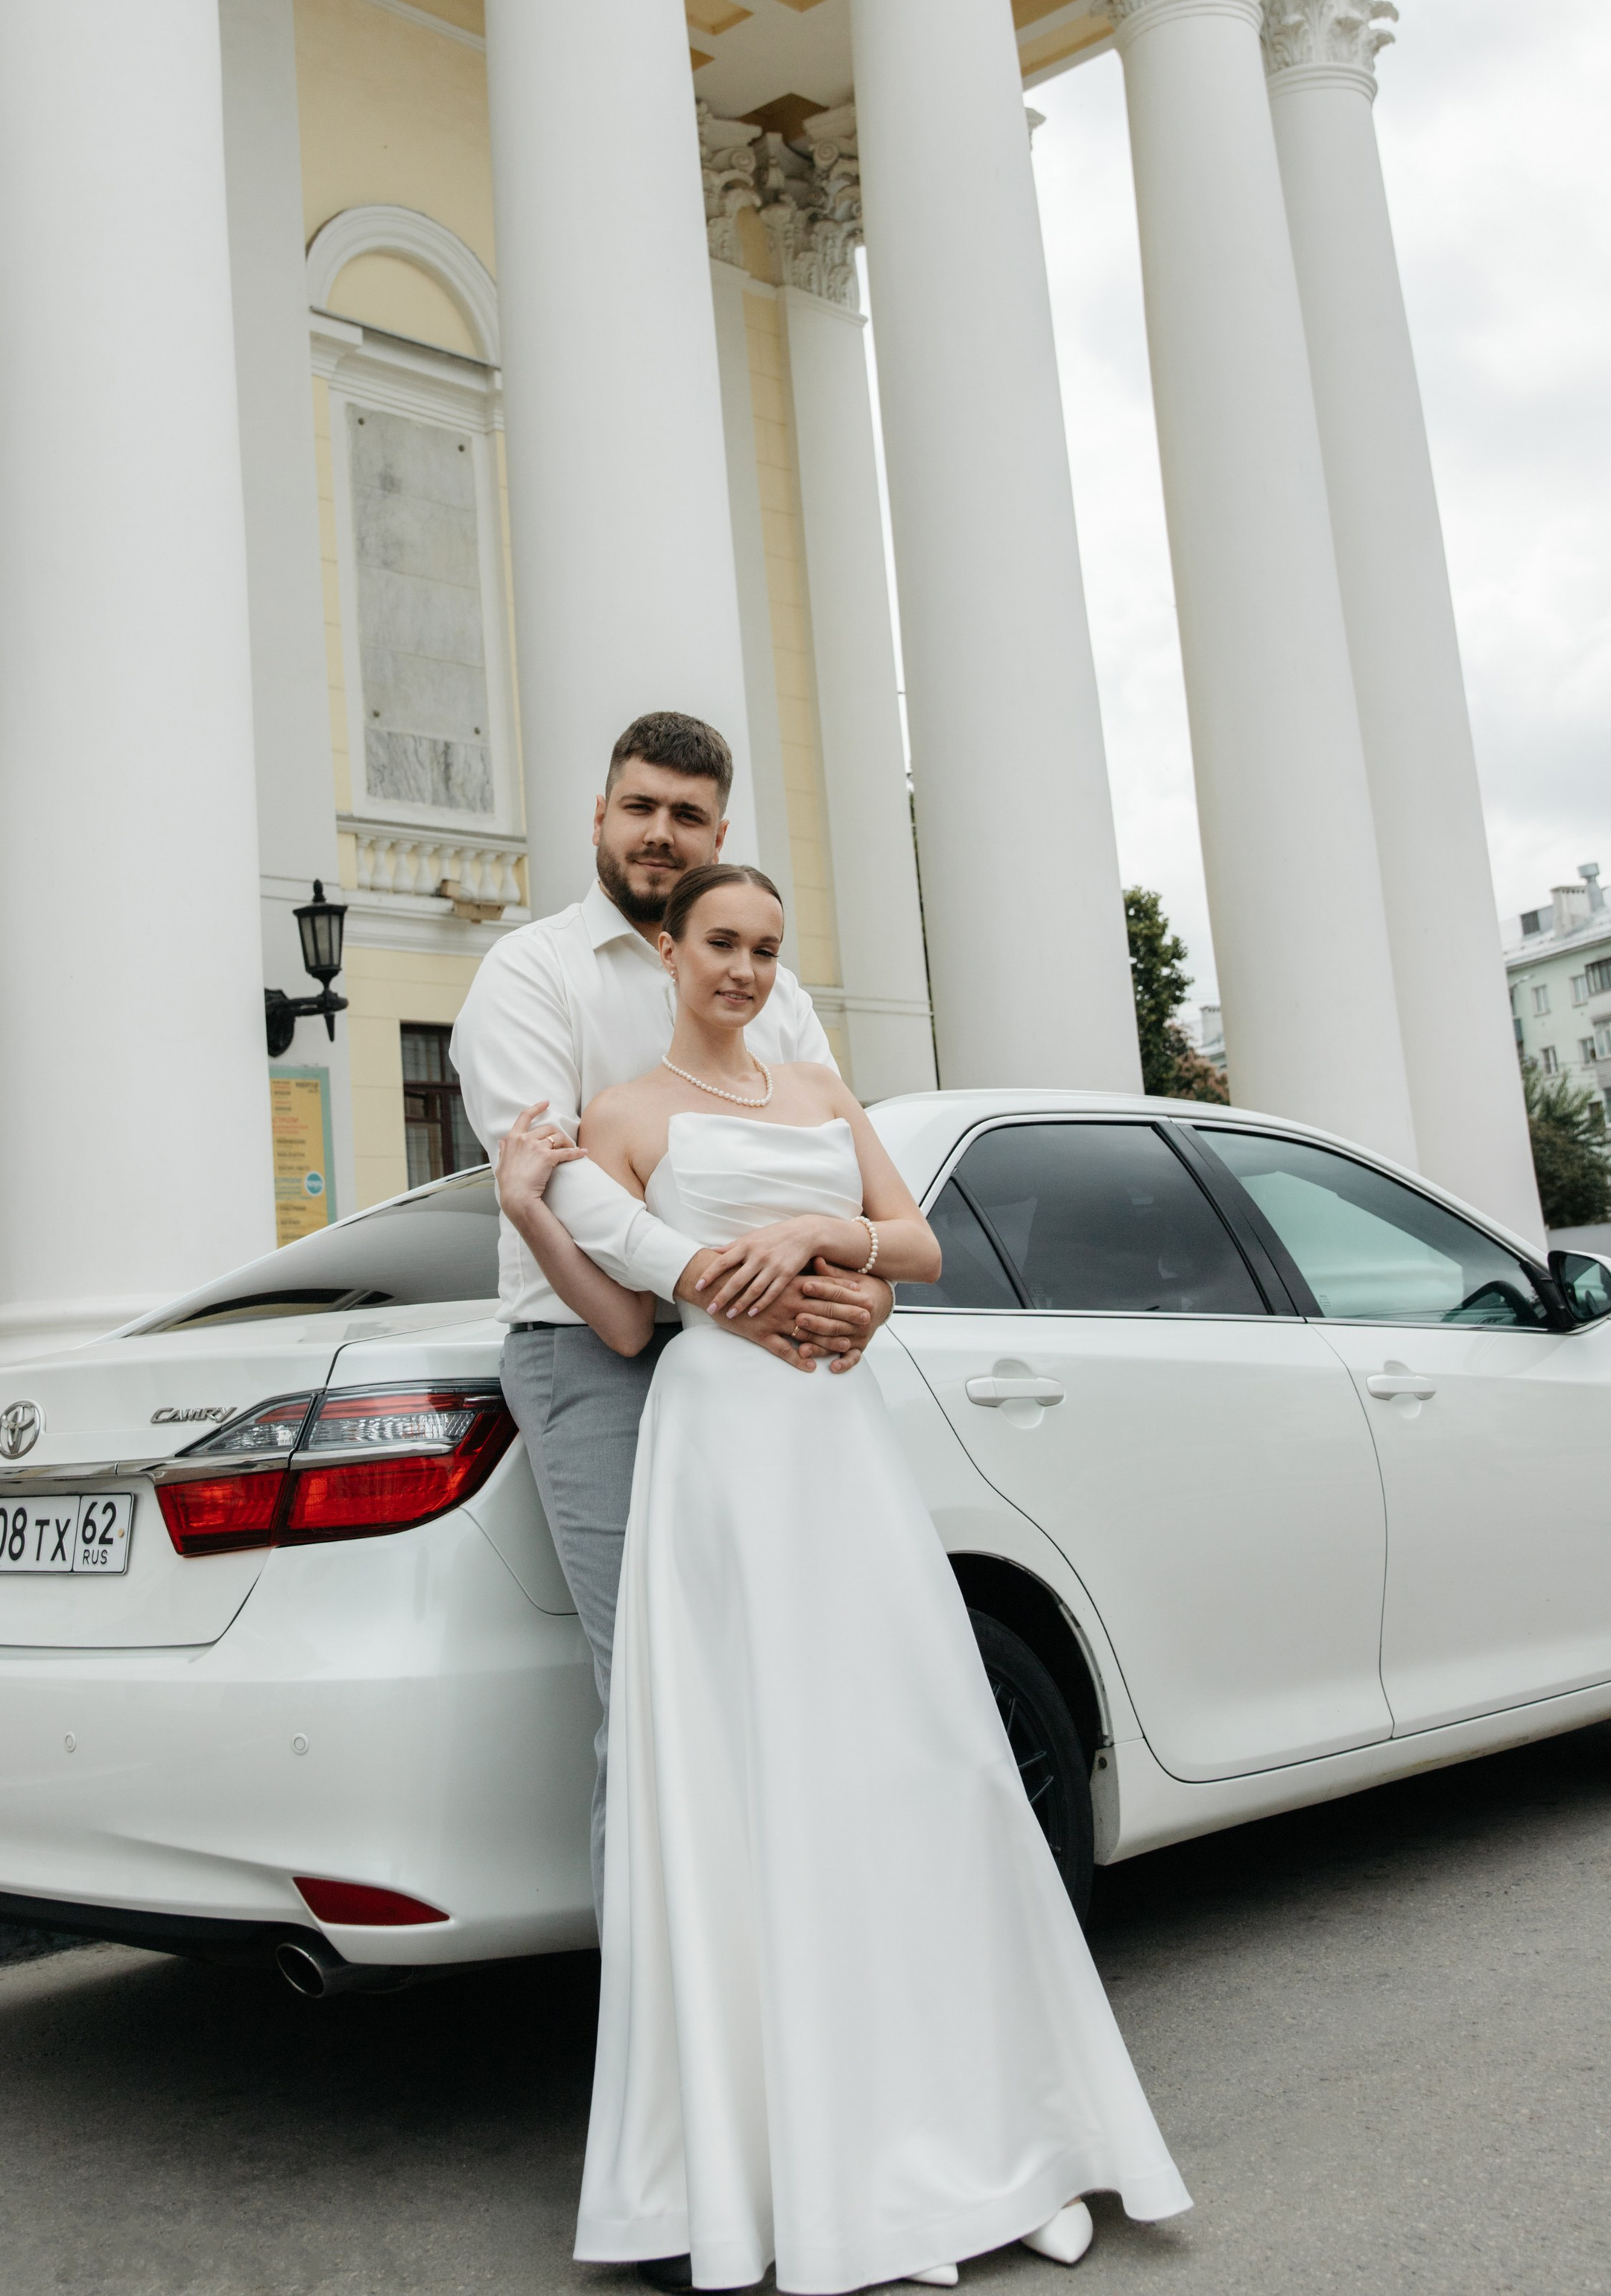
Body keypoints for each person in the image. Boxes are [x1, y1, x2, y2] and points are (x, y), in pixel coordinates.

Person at [496, 861, 1191, 2294]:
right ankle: (785, 2164)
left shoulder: (820, 1091)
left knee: (908, 1759)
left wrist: (826, 1239)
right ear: (669, 953)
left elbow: (922, 1242)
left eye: (764, 949)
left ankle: (968, 2124)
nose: (744, 971)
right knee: (759, 1772)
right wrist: (534, 1210)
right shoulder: (621, 1118)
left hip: (837, 1447)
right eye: (719, 946)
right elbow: (628, 1325)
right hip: (721, 1454)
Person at [451, 712, 893, 1919]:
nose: (660, 833)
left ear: (717, 834)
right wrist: (706, 1277)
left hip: (775, 1365)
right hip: (594, 1347)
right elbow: (551, 1169)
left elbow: (840, 1169)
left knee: (789, 1670)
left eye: (687, 816)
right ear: (599, 816)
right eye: (640, 807)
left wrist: (870, 1292)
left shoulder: (775, 991)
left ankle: (792, 1975)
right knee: (652, 1684)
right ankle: (655, 2036)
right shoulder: (531, 971)